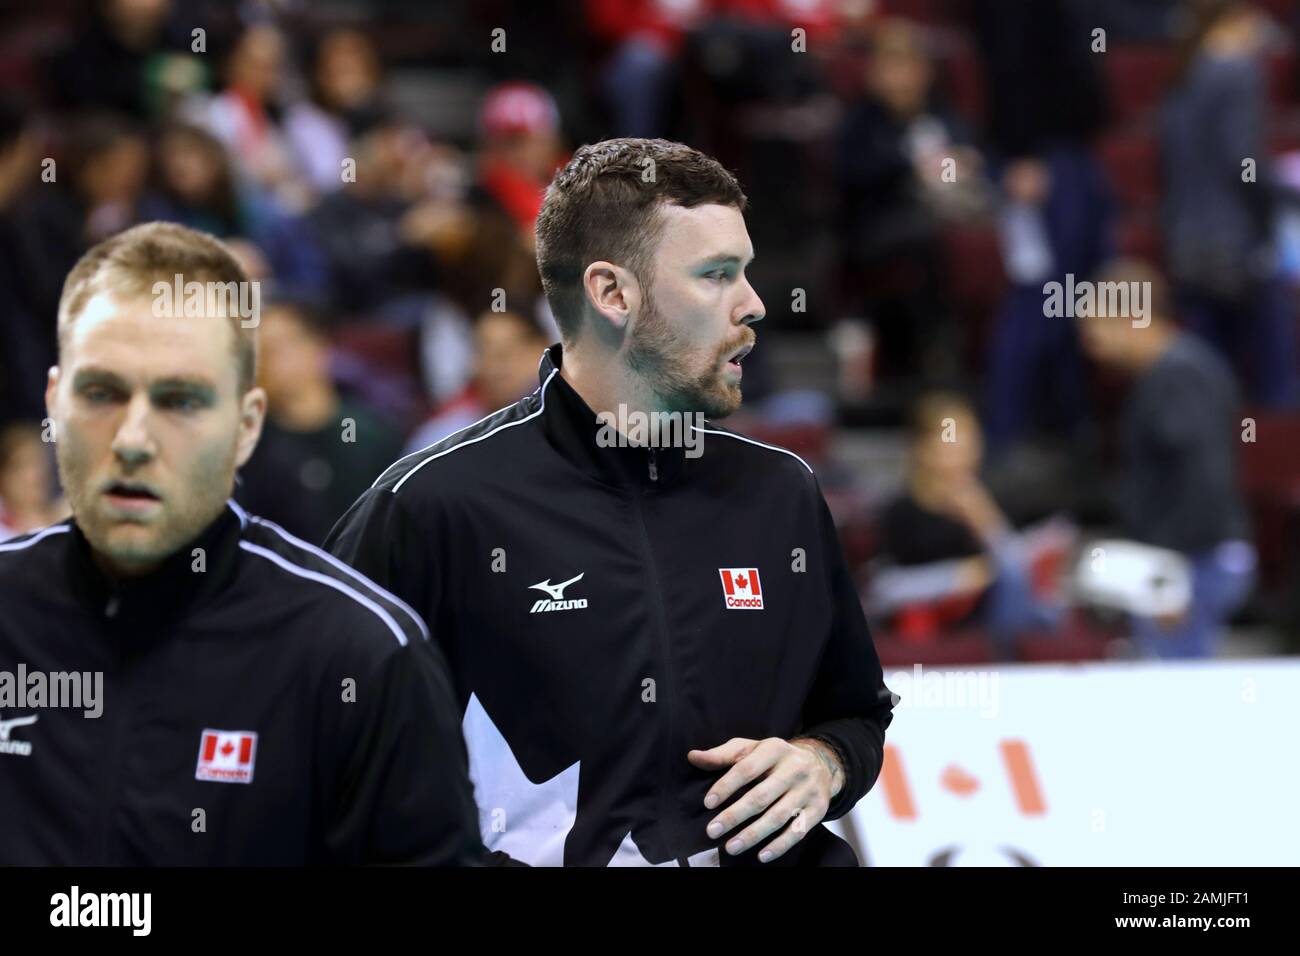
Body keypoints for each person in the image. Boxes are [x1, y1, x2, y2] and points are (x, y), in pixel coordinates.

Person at [327, 138, 897, 867]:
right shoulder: (430, 507)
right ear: (612, 294)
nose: (754, 305)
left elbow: (856, 711)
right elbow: (318, 758)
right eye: (717, 275)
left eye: (745, 274)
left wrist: (824, 762)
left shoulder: (782, 493)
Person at [0, 222, 482, 865]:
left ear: (247, 425)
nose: (133, 438)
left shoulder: (358, 657)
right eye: (102, 393)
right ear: (54, 400)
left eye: (180, 400)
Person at [1075, 259, 1256, 659]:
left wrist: (1169, 581)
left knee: (1179, 698)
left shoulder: (1180, 378)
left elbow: (1204, 478)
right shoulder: (1168, 374)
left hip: (1195, 563)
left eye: (1097, 326)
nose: (1089, 341)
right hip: (1184, 562)